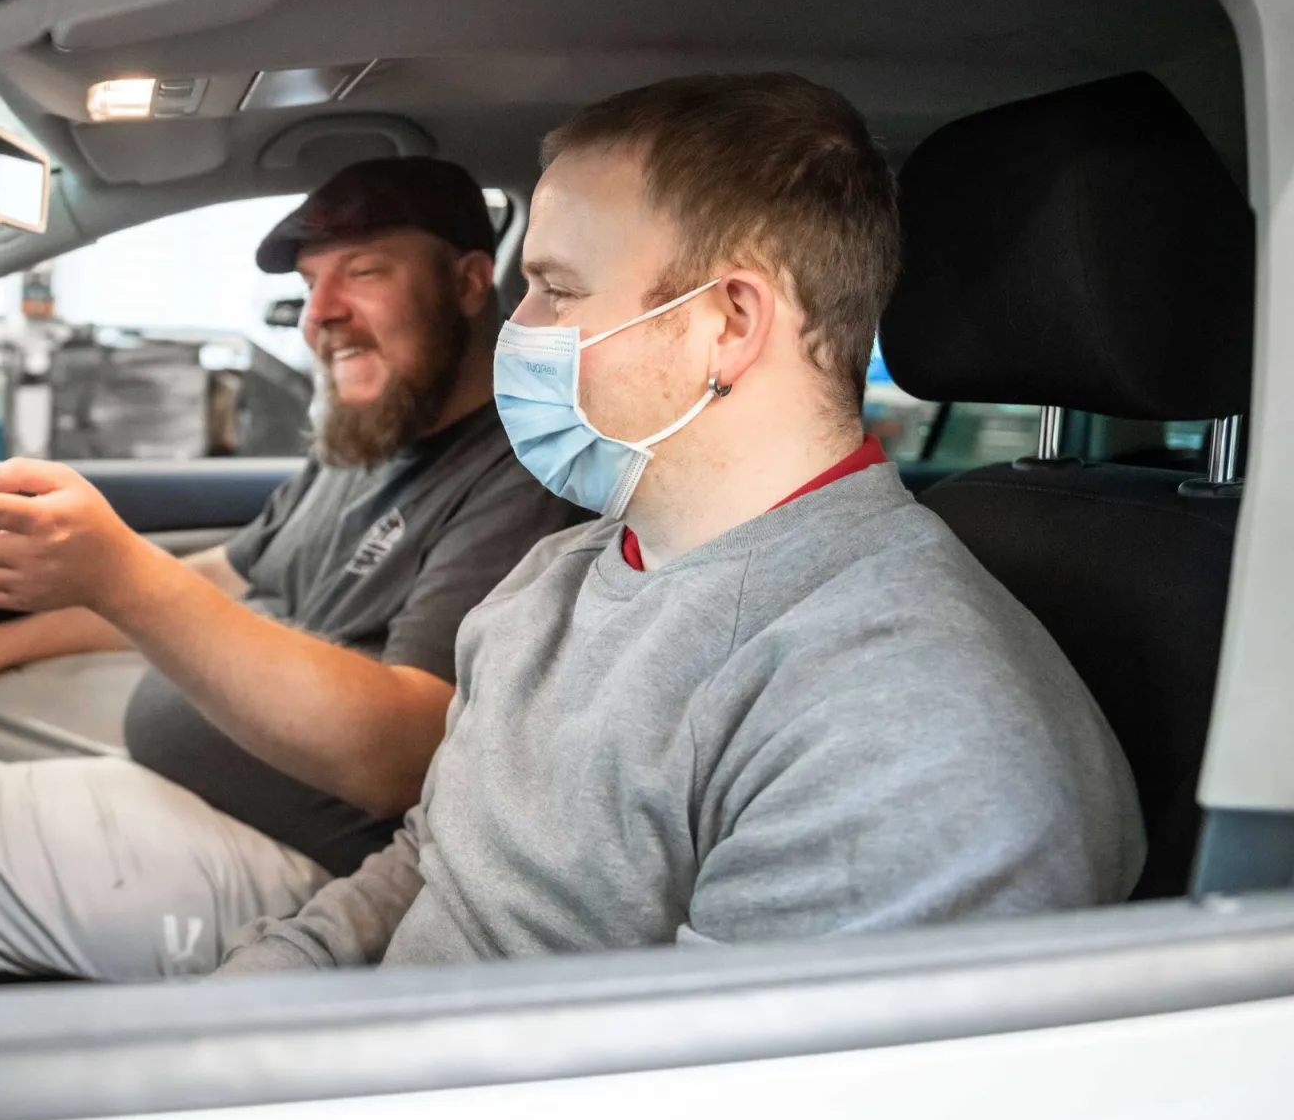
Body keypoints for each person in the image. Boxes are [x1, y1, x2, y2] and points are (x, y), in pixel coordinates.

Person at [218, 74, 1145, 974]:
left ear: (728, 322)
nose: (514, 322)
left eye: (557, 289)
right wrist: (264, 988)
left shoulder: (910, 727)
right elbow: (436, 854)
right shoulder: (559, 571)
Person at [0, 157, 584, 979]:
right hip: (178, 776)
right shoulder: (372, 433)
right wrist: (4, 646)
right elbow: (222, 575)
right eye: (313, 282)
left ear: (469, 282)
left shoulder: (519, 476)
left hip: (302, 860)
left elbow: (404, 752)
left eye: (363, 272)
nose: (321, 313)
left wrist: (120, 575)